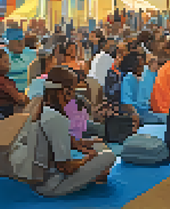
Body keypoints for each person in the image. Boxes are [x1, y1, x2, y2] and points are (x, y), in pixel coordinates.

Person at [31, 66, 116, 197]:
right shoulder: (57, 119)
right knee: (109, 157)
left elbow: (64, 141)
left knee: (96, 143)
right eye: (74, 90)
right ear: (65, 91)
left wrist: (87, 144)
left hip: (37, 178)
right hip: (51, 185)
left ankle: (94, 173)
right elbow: (65, 167)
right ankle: (94, 175)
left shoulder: (41, 108)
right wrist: (87, 160)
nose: (74, 96)